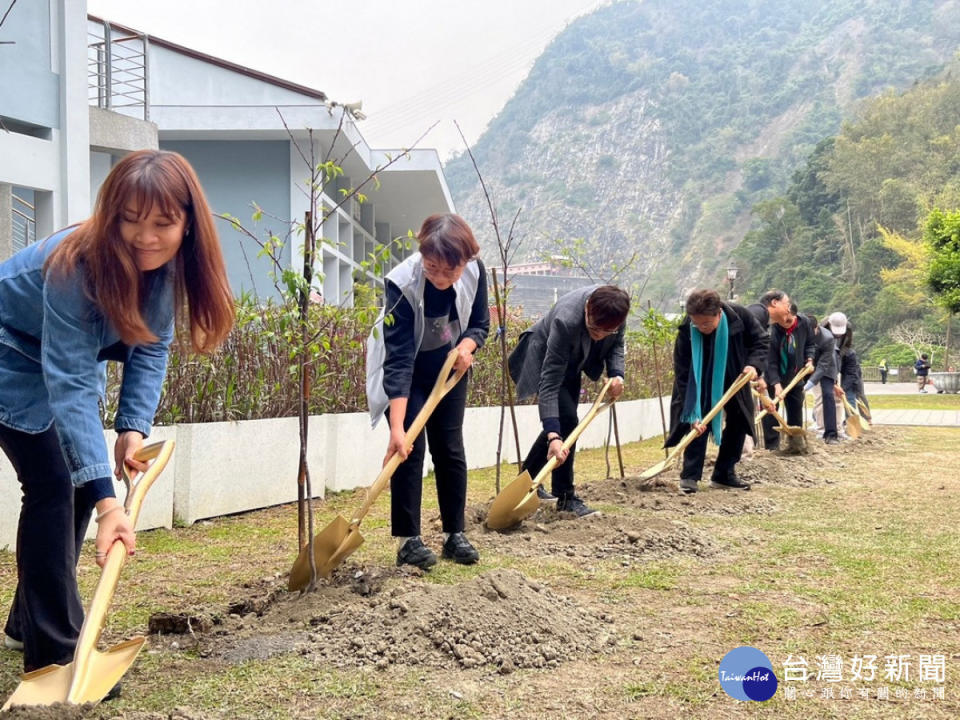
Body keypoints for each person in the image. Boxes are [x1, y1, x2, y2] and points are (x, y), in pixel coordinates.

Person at [0, 150, 235, 676]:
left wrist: (132, 430)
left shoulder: (168, 269)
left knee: (84, 483)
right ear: (111, 215)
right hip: (8, 356)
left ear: (188, 223)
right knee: (54, 486)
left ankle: (26, 622)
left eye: (162, 223)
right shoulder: (74, 266)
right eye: (129, 220)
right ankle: (56, 653)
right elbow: (73, 383)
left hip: (53, 362)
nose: (143, 237)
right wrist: (111, 508)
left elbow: (150, 348)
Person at [366, 213, 489, 570]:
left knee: (450, 448)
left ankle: (455, 535)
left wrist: (467, 346)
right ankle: (409, 541)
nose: (438, 277)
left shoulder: (476, 273)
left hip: (450, 368)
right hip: (408, 375)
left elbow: (480, 324)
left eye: (449, 272)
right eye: (431, 267)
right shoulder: (401, 284)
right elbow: (399, 359)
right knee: (409, 449)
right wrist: (397, 429)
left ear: (465, 261)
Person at [509, 285, 629, 516]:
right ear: (587, 308)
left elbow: (616, 347)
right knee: (566, 422)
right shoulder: (567, 319)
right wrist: (554, 435)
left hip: (574, 363)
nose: (600, 335)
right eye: (595, 328)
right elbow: (551, 382)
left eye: (607, 331)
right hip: (545, 355)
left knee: (563, 424)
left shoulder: (616, 314)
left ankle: (527, 479)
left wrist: (617, 375)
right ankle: (565, 496)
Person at [666, 289, 768, 494]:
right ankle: (690, 476)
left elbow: (761, 342)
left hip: (735, 378)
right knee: (697, 423)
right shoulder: (687, 329)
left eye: (706, 324)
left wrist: (754, 365)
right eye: (696, 323)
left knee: (739, 422)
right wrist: (691, 408)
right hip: (698, 382)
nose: (700, 328)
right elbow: (683, 372)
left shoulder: (740, 316)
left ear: (718, 313)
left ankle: (724, 474)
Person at [765, 302, 815, 451]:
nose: (785, 323)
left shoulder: (805, 323)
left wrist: (810, 359)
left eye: (789, 320)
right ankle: (772, 447)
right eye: (782, 321)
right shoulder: (771, 331)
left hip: (796, 375)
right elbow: (770, 360)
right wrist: (776, 383)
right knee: (770, 411)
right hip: (774, 376)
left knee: (795, 409)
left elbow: (811, 344)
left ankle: (795, 444)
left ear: (794, 316)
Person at [803, 314, 840, 444]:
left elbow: (823, 365)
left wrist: (810, 383)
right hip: (806, 364)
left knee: (828, 395)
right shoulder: (801, 334)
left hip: (827, 367)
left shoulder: (827, 338)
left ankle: (831, 434)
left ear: (817, 327)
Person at [824, 312, 869, 418]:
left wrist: (843, 388)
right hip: (828, 360)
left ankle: (856, 418)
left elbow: (847, 344)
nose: (838, 334)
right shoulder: (823, 328)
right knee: (827, 393)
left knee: (852, 392)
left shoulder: (850, 355)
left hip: (845, 364)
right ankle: (819, 419)